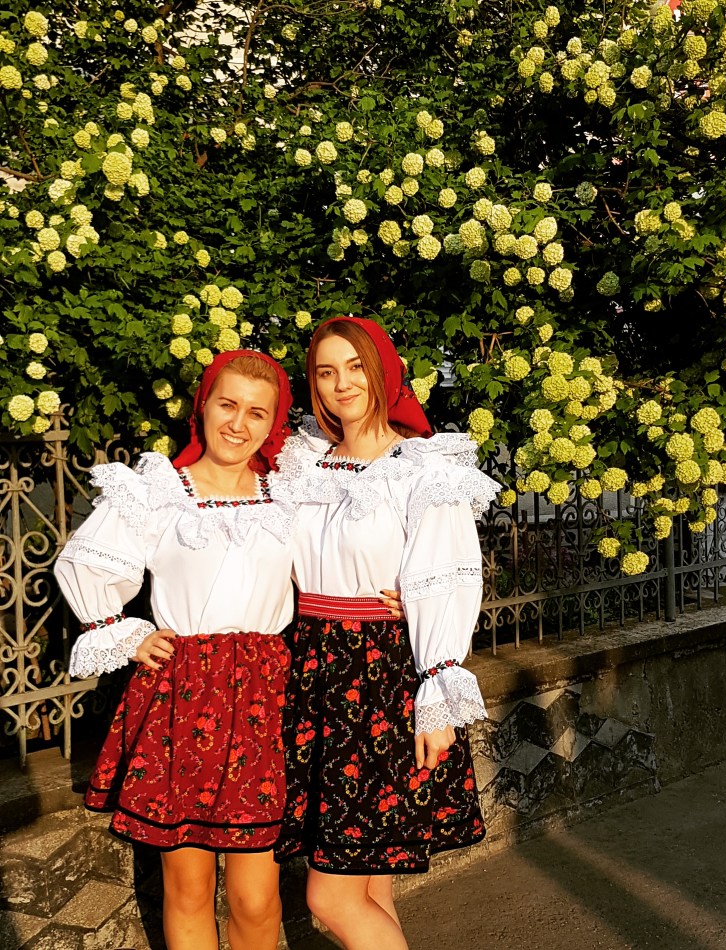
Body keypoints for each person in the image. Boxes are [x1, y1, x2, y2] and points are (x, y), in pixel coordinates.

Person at [55, 350, 296, 950]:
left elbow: (347, 558)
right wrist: (124, 632)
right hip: (184, 693)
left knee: (257, 896)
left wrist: (398, 600)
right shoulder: (160, 493)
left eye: (256, 412)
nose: (238, 423)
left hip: (264, 695)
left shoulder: (290, 496)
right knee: (188, 887)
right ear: (203, 407)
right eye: (227, 405)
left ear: (273, 424)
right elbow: (83, 563)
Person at [271, 316, 500, 950]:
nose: (341, 383)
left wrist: (438, 692)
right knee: (369, 886)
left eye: (354, 368)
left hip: (381, 677)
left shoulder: (423, 469)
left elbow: (448, 575)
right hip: (313, 669)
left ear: (383, 374)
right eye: (325, 371)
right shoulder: (303, 463)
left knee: (330, 897)